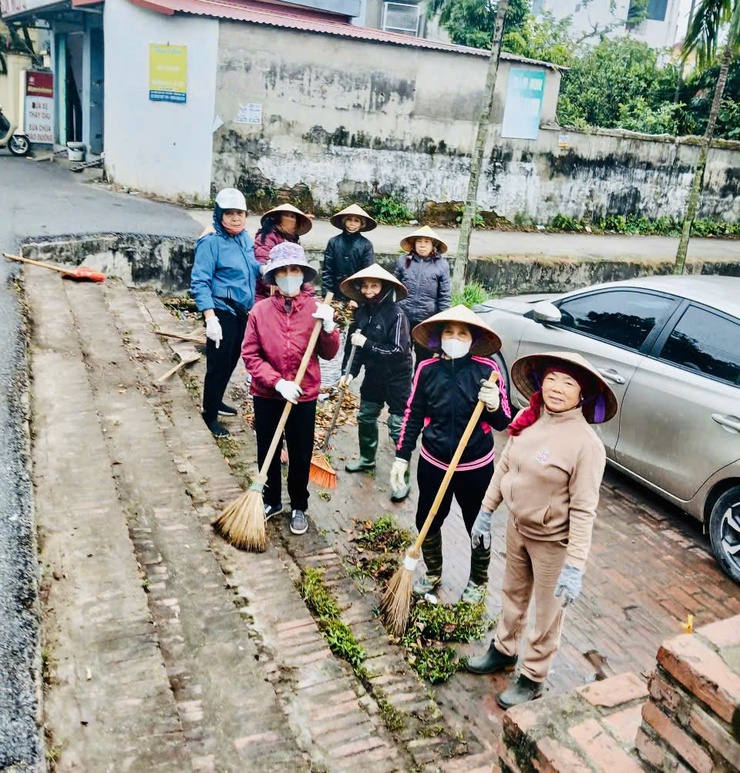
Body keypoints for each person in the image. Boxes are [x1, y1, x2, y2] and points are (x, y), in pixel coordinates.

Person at [465, 351, 618, 708]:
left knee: (548, 614)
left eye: (568, 382)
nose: (557, 388)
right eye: (551, 378)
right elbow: (504, 467)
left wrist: (575, 565)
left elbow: (584, 510)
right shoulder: (527, 418)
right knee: (512, 595)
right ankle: (504, 649)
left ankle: (533, 676)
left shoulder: (586, 445)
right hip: (518, 528)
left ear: (583, 394)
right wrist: (486, 512)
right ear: (540, 382)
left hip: (553, 543)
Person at [390, 305, 511, 604]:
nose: (455, 338)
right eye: (448, 332)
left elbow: (504, 422)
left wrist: (494, 404)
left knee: (477, 525)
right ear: (439, 337)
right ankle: (433, 572)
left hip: (476, 466)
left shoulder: (488, 372)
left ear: (473, 339)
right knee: (427, 519)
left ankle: (479, 581)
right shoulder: (427, 370)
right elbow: (413, 414)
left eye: (462, 333)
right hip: (434, 462)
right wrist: (402, 455)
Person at [241, 242, 340, 536]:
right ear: (273, 276)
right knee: (267, 449)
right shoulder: (259, 312)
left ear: (302, 274)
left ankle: (299, 504)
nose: (288, 275)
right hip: (268, 394)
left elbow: (329, 353)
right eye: (282, 271)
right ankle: (271, 500)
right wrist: (277, 382)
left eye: (294, 270)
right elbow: (250, 355)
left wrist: (330, 329)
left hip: (304, 393)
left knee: (300, 451)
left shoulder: (315, 309)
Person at [337, 264, 412, 500]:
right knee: (366, 415)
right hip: (373, 374)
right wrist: (348, 373)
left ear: (384, 287)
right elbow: (354, 349)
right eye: (366, 285)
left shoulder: (396, 314)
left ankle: (402, 478)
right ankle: (367, 459)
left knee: (398, 425)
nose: (369, 290)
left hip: (397, 376)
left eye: (375, 285)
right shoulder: (361, 313)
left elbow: (399, 350)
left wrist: (366, 344)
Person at [191, 188, 260, 437]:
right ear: (219, 215)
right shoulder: (210, 242)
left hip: (243, 311)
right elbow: (200, 281)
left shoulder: (244, 239)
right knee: (218, 365)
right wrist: (210, 318)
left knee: (232, 359)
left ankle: (217, 399)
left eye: (239, 213)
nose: (235, 218)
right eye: (229, 213)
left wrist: (273, 272)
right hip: (221, 310)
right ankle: (209, 416)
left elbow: (252, 267)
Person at [393, 225, 451, 365]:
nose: (422, 245)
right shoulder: (403, 261)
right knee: (400, 356)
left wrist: (442, 322)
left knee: (424, 359)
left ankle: (419, 385)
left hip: (426, 321)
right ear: (414, 244)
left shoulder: (441, 265)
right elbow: (393, 287)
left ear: (433, 245)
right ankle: (403, 386)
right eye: (419, 241)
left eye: (426, 242)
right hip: (403, 317)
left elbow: (444, 296)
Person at [253, 203, 313, 301]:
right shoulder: (266, 238)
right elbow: (264, 270)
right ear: (278, 218)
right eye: (286, 215)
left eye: (292, 217)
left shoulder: (293, 241)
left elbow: (299, 270)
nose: (289, 219)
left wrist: (308, 292)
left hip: (290, 291)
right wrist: (286, 289)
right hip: (266, 294)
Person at [322, 204, 376, 305]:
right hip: (335, 292)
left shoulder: (366, 245)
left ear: (361, 224)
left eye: (356, 221)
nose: (352, 223)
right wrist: (327, 293)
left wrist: (358, 297)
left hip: (357, 293)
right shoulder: (333, 242)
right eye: (349, 219)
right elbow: (327, 270)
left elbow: (368, 273)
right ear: (344, 221)